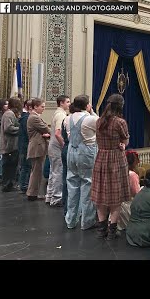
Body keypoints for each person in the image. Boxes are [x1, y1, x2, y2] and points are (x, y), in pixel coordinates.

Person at [91, 94, 130, 240]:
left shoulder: (99, 121)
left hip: (101, 158)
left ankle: (101, 230)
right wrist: (122, 144)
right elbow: (125, 139)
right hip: (116, 159)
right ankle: (112, 231)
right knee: (116, 197)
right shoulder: (120, 122)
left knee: (101, 196)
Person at [65, 95, 98, 230]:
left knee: (72, 185)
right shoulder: (90, 119)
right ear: (87, 105)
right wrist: (91, 111)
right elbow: (101, 123)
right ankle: (87, 221)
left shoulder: (68, 118)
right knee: (87, 185)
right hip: (86, 153)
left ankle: (71, 220)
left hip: (71, 152)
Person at [46, 95, 70, 206]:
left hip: (52, 146)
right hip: (56, 147)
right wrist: (64, 145)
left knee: (53, 171)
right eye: (67, 102)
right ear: (61, 103)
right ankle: (56, 198)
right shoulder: (61, 115)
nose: (69, 104)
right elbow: (57, 133)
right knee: (58, 172)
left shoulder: (57, 113)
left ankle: (50, 196)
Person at [26, 98, 51, 201]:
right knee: (36, 171)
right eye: (42, 107)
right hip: (37, 147)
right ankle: (32, 194)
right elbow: (45, 128)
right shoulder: (34, 117)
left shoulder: (35, 117)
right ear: (35, 107)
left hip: (38, 146)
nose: (43, 109)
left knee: (37, 171)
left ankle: (33, 193)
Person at [0, 97, 21, 192]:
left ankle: (10, 183)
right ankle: (7, 184)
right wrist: (20, 129)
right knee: (8, 166)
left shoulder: (12, 114)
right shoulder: (9, 114)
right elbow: (8, 128)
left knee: (12, 166)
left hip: (12, 145)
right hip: (9, 145)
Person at [118, 150, 142, 231]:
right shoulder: (132, 175)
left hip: (118, 205)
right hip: (127, 207)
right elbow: (136, 193)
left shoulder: (119, 171)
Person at [61, 104, 75, 215]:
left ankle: (66, 207)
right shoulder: (85, 119)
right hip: (74, 149)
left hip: (66, 148)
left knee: (66, 178)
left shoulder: (65, 119)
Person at [18, 99, 32, 194]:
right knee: (26, 166)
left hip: (24, 144)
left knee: (25, 166)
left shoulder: (24, 117)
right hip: (25, 144)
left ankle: (24, 184)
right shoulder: (26, 118)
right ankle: (23, 185)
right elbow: (28, 133)